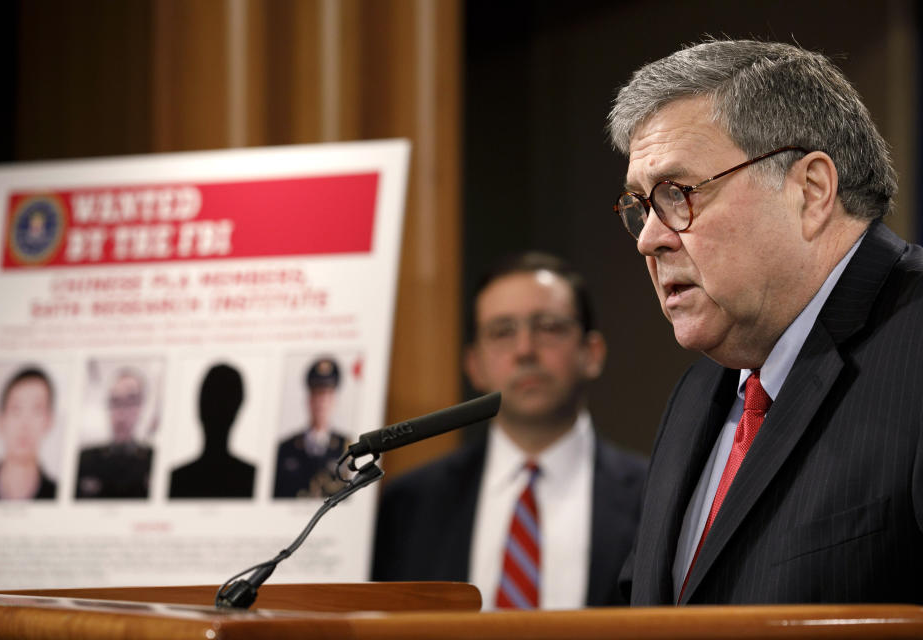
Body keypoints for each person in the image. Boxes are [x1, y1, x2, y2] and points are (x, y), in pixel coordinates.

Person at [608, 38, 923, 605]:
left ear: (810, 191)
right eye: (641, 206)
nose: (650, 239)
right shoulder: (699, 393)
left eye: (677, 194)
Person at [372, 252, 646, 609]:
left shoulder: (656, 496)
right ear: (474, 365)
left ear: (591, 352)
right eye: (502, 332)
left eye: (548, 327)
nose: (525, 350)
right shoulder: (408, 505)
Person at [169, 363, 256, 498]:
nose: (215, 410)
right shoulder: (175, 479)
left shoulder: (254, 478)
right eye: (210, 398)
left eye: (223, 402)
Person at [0, 367, 58, 500]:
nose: (25, 424)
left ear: (49, 421)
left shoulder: (56, 493)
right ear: (0, 421)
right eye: (16, 409)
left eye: (37, 410)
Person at [273, 357, 351, 498]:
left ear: (334, 400)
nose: (321, 402)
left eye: (326, 394)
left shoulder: (346, 447)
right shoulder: (285, 448)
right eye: (316, 394)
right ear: (309, 398)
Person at [76, 368, 153, 499]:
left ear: (141, 406)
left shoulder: (153, 460)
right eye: (115, 402)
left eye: (131, 402)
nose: (122, 413)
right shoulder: (85, 460)